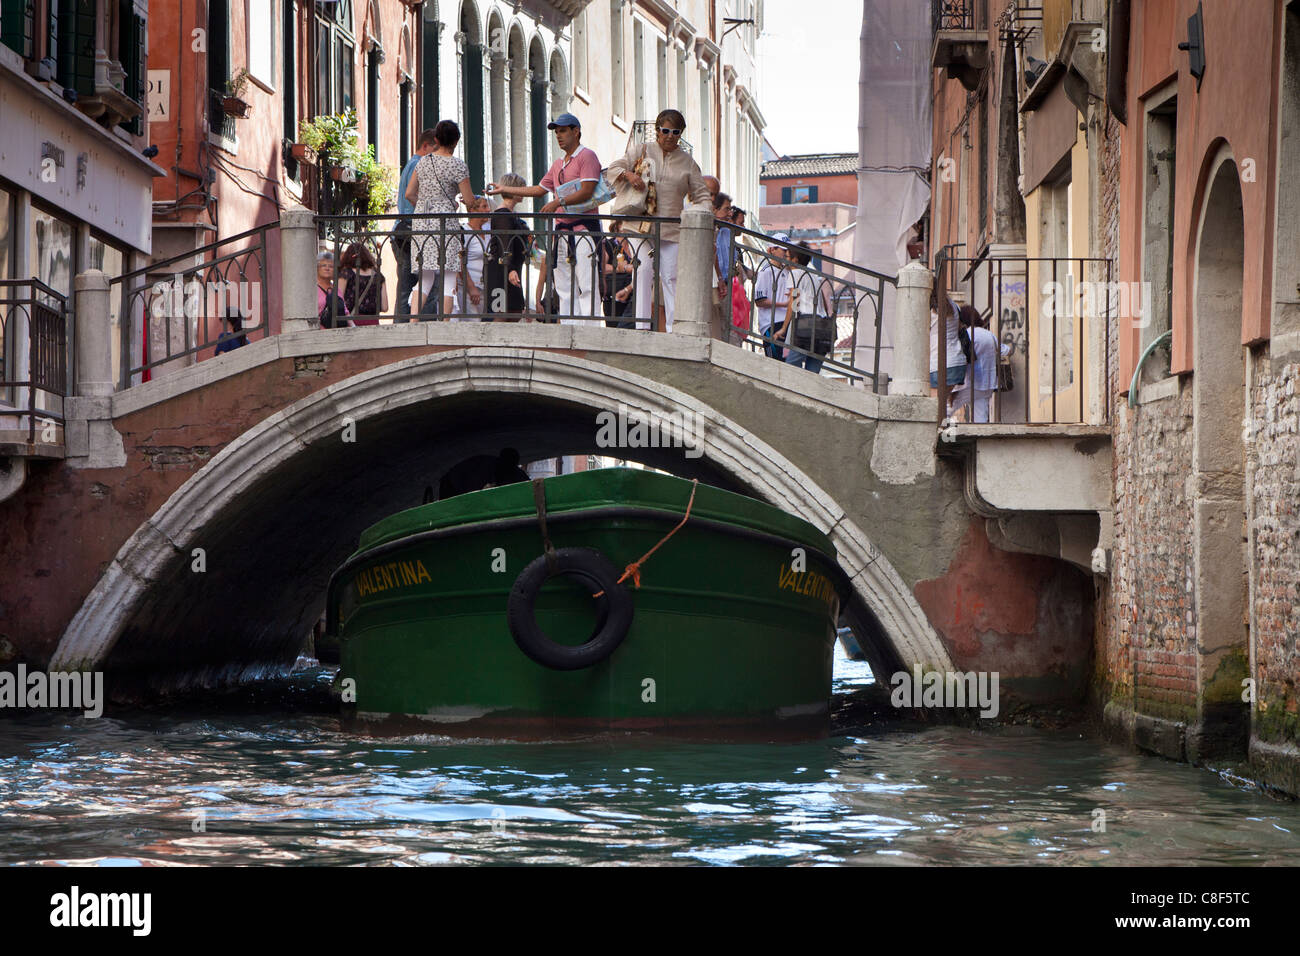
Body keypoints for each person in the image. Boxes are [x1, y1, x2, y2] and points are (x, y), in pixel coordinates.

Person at [488, 112, 603, 324]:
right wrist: (505, 188)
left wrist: (559, 202)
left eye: (563, 131)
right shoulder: (558, 163)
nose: (559, 136)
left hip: (584, 229)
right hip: (561, 230)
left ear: (575, 132)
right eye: (557, 132)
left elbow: (587, 190)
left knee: (587, 282)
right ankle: (571, 327)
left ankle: (592, 331)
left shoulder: (587, 156)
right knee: (564, 284)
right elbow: (540, 189)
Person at [606, 109, 711, 332]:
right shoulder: (642, 150)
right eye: (665, 130)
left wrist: (701, 216)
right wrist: (630, 175)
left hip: (671, 229)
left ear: (680, 134)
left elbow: (701, 195)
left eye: (675, 132)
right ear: (657, 131)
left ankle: (674, 329)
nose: (670, 135)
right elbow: (613, 168)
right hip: (638, 225)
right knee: (643, 268)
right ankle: (642, 326)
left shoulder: (688, 163)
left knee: (671, 277)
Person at [405, 119, 476, 319]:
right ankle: (444, 321)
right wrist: (456, 202)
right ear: (456, 141)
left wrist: (425, 204)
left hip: (422, 218)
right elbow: (470, 202)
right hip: (446, 219)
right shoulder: (458, 166)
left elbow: (409, 194)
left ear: (436, 139)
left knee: (425, 275)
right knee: (449, 273)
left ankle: (413, 319)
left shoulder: (423, 161)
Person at [393, 129, 437, 321]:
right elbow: (413, 198)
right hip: (412, 231)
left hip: (404, 231)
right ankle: (414, 325)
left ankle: (403, 325)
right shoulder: (420, 164)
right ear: (425, 146)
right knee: (423, 282)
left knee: (408, 283)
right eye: (435, 150)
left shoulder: (411, 164)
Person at [774, 242, 834, 373]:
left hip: (805, 326)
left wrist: (783, 329)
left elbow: (793, 303)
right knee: (813, 371)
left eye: (788, 257)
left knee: (791, 366)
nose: (786, 260)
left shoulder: (795, 274)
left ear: (795, 259)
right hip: (822, 327)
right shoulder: (813, 275)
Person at [949, 305, 1010, 423]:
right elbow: (1006, 350)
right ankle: (979, 440)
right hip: (987, 383)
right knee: (980, 418)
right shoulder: (989, 335)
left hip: (969, 382)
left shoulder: (966, 334)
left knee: (946, 409)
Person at [483, 173, 531, 321]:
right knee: (503, 314)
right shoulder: (503, 214)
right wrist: (510, 270)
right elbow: (505, 242)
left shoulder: (510, 214)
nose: (524, 191)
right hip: (502, 271)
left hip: (510, 269)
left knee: (513, 311)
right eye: (521, 188)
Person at [751, 234, 791, 358]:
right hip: (771, 324)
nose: (786, 253)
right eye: (783, 250)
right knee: (775, 360)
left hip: (786, 323)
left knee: (788, 363)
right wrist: (784, 304)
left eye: (787, 250)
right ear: (772, 250)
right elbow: (759, 300)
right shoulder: (765, 272)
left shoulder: (788, 271)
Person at [453, 197, 491, 320]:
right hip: (469, 287)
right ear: (472, 210)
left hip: (484, 287)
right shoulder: (464, 231)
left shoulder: (487, 232)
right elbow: (460, 261)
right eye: (484, 207)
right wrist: (471, 288)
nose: (488, 210)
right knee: (472, 323)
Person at [929, 292, 968, 398]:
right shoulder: (954, 306)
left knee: (933, 406)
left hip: (938, 364)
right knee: (941, 404)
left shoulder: (930, 310)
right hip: (957, 363)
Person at [338, 242, 386, 324]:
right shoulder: (378, 276)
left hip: (351, 322)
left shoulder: (346, 274)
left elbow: (338, 301)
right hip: (373, 322)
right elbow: (385, 307)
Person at [600, 220, 637, 327]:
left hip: (632, 292)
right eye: (624, 222)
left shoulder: (635, 245)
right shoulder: (609, 244)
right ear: (617, 226)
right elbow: (602, 267)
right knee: (614, 328)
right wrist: (622, 268)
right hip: (614, 295)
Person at [316, 250, 350, 328]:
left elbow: (345, 311)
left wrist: (353, 328)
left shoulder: (336, 289)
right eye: (323, 265)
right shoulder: (313, 289)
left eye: (331, 266)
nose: (327, 268)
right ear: (317, 268)